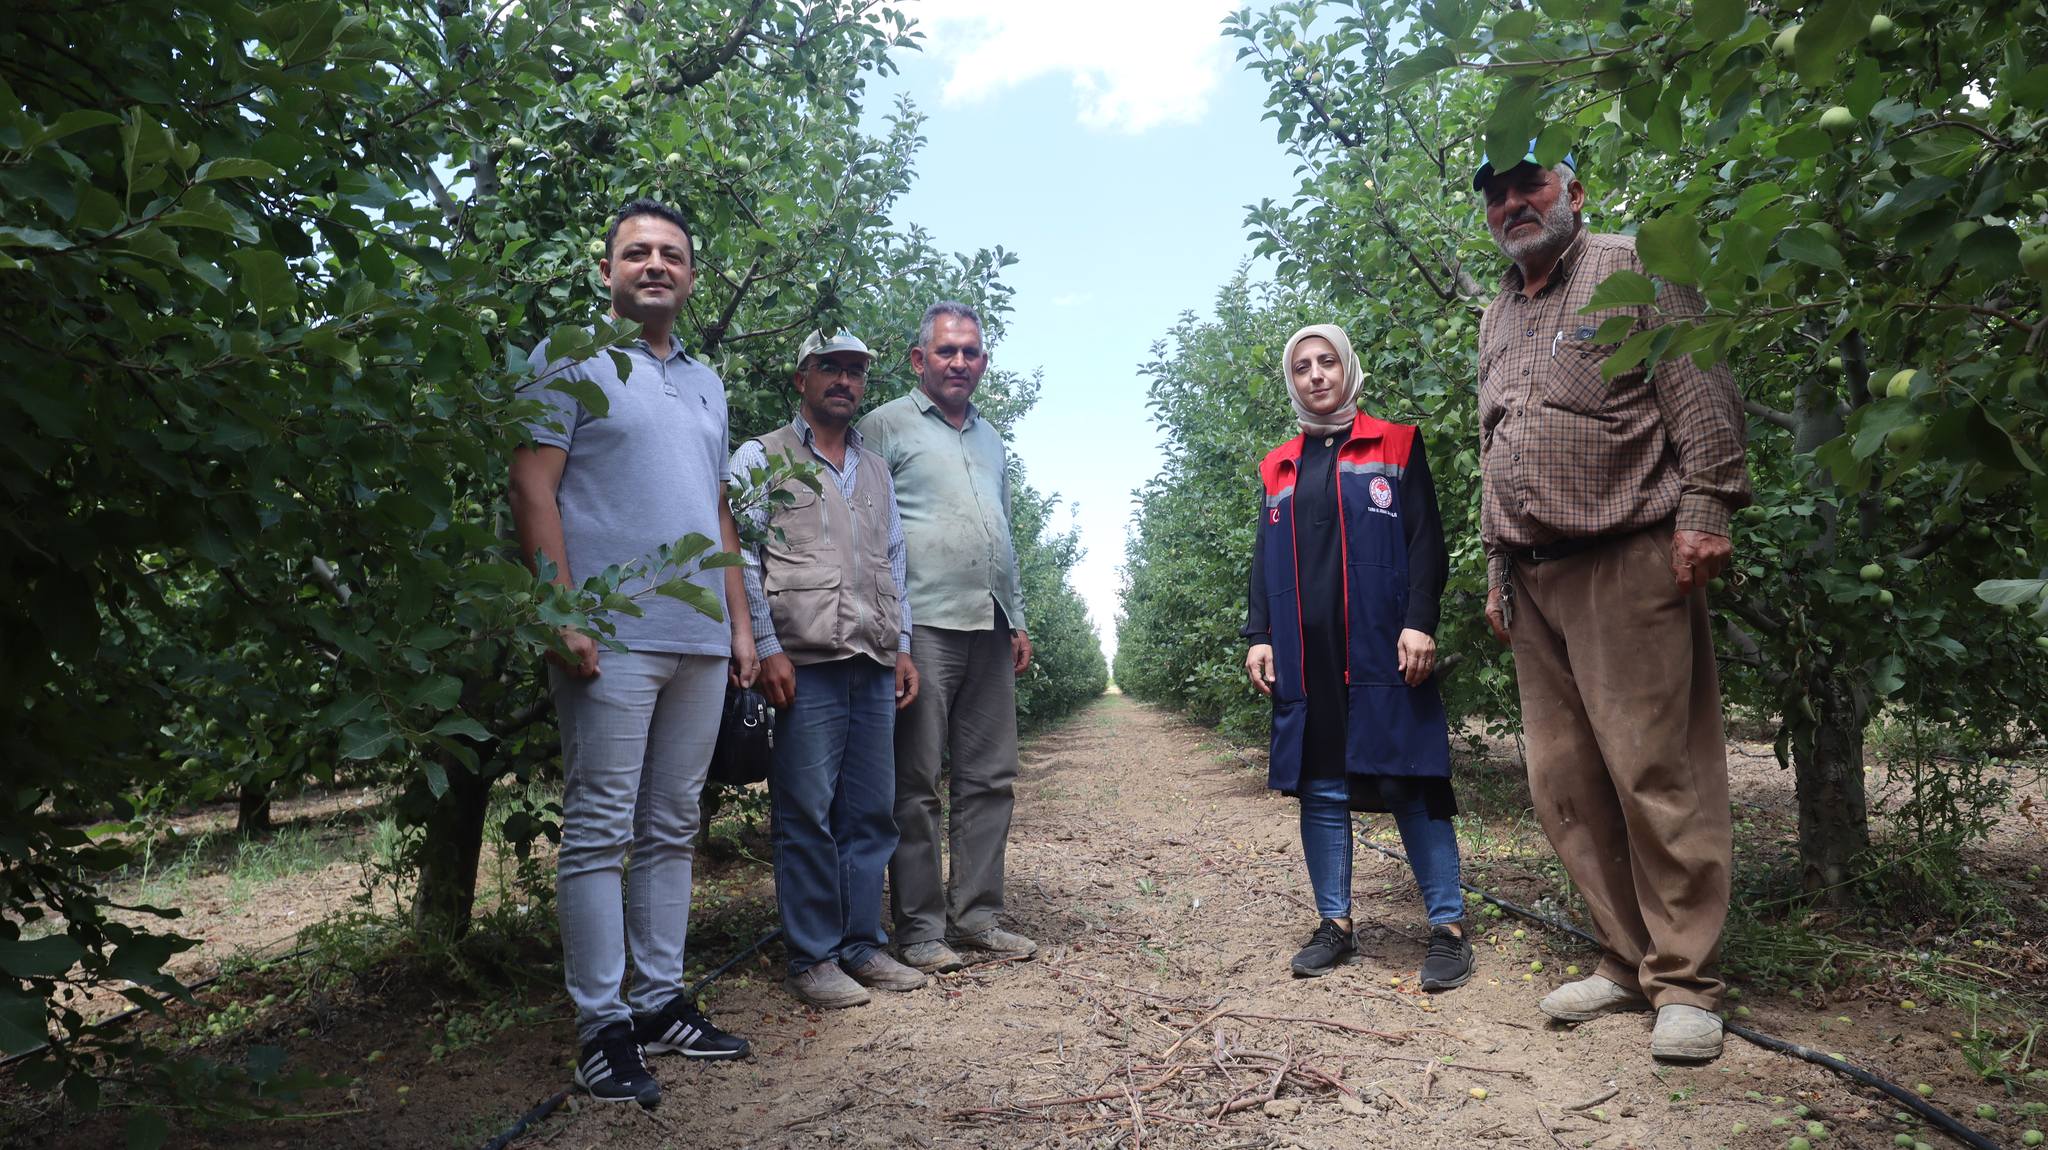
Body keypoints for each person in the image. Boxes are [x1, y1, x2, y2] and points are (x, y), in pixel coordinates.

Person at [1472, 147, 1751, 1061]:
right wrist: (1494, 571)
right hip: (1533, 573)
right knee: (1566, 783)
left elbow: (1700, 394)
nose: (1514, 203)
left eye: (1530, 185)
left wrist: (1707, 507)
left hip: (1625, 555)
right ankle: (1625, 959)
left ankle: (1688, 980)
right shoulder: (1497, 314)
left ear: (1574, 193)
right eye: (1498, 195)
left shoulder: (1634, 266)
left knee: (1653, 769)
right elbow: (1496, 443)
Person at [509, 198, 755, 1109]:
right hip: (609, 636)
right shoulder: (568, 357)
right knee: (600, 829)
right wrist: (559, 609)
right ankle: (601, 1026)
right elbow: (533, 484)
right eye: (639, 253)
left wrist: (737, 624)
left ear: (691, 277)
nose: (657, 265)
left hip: (695, 639)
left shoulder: (707, 382)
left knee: (669, 828)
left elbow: (717, 509)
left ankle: (657, 1004)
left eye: (673, 255)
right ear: (607, 270)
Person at [1242, 324, 1475, 991]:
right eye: (1303, 367)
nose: (1316, 375)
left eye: (1326, 362)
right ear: (1293, 381)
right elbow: (1265, 559)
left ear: (1348, 367)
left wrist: (1419, 622)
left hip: (1381, 641)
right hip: (1304, 649)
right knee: (1319, 784)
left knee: (1410, 777)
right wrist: (1259, 633)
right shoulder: (1278, 465)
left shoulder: (1394, 444)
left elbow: (1426, 539)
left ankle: (1449, 928)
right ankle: (1335, 926)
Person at [729, 330, 931, 1009]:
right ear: (802, 379)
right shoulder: (762, 457)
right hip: (803, 660)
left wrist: (902, 643)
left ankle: (860, 944)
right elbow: (741, 557)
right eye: (830, 369)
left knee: (869, 811)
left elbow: (895, 560)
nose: (844, 381)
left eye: (854, 372)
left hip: (872, 659)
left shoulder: (874, 469)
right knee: (806, 812)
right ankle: (812, 957)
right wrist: (762, 644)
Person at [856, 302, 1037, 974]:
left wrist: (1014, 616)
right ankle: (921, 928)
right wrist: (891, 632)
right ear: (919, 359)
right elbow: (869, 532)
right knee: (916, 781)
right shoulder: (885, 428)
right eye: (947, 351)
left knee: (991, 777)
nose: (960, 362)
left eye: (971, 352)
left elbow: (1003, 531)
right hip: (923, 621)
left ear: (983, 362)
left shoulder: (991, 439)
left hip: (987, 621)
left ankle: (977, 917)